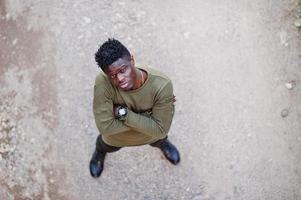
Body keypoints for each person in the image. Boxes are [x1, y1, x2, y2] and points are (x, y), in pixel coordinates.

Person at [89, 38, 180, 178]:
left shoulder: (161, 84)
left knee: (160, 138)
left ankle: (163, 145)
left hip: (151, 136)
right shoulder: (103, 82)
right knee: (104, 145)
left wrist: (122, 114)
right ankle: (99, 154)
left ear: (132, 60)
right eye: (112, 75)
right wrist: (150, 117)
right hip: (116, 139)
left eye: (123, 70)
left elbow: (161, 129)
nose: (119, 79)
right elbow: (105, 127)